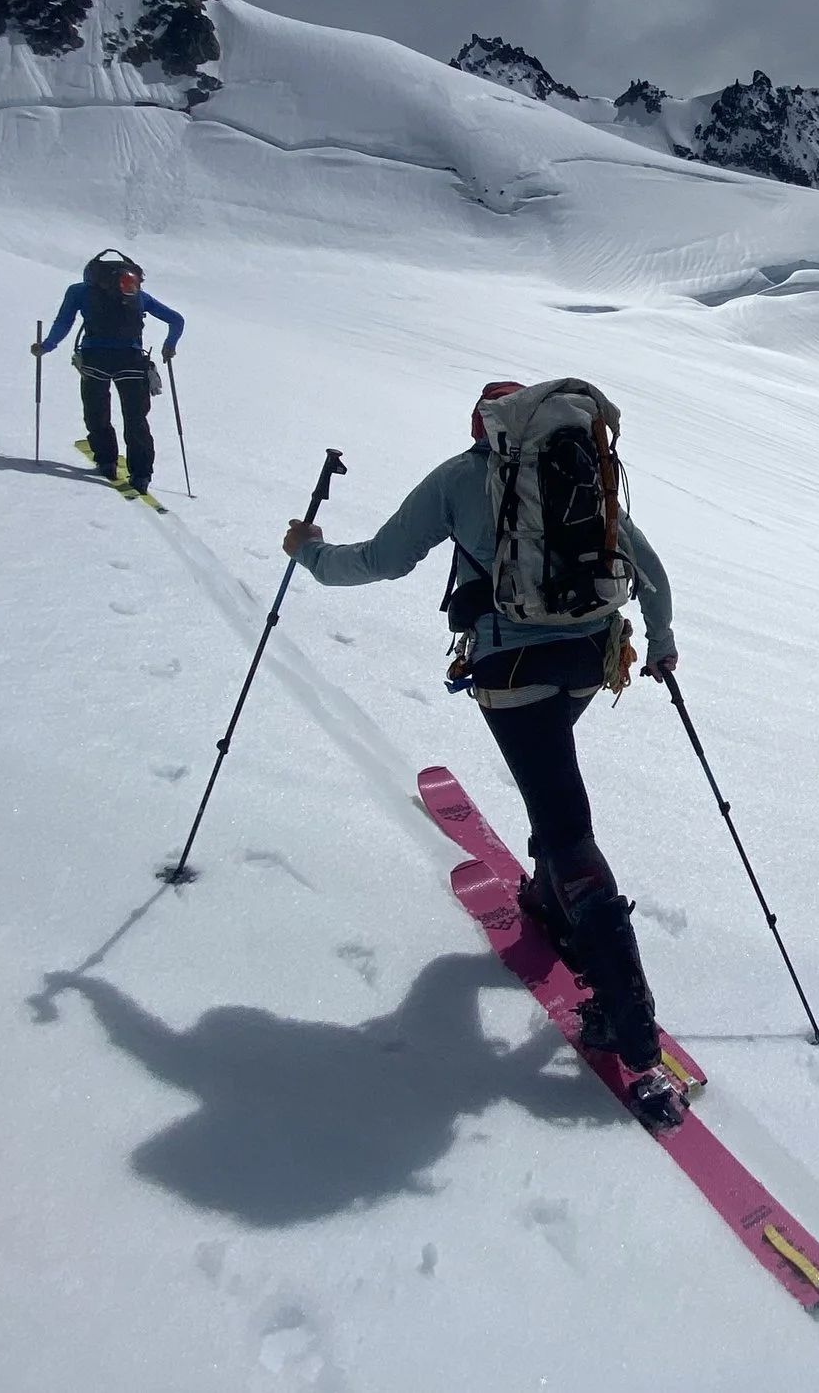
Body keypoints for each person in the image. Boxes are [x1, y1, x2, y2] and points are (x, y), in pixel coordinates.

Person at [281, 380, 685, 1125]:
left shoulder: (464, 477)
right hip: (592, 659)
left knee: (566, 822)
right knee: (551, 777)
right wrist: (660, 644)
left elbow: (380, 558)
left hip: (513, 671)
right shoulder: (577, 470)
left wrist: (309, 553)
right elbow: (648, 566)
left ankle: (631, 1031)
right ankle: (548, 895)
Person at [38, 249, 184, 495]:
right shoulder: (138, 296)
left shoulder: (79, 291)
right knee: (136, 419)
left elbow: (64, 322)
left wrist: (46, 346)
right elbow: (176, 320)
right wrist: (170, 345)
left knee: (97, 412)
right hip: (131, 361)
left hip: (95, 360)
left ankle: (106, 461)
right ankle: (141, 475)